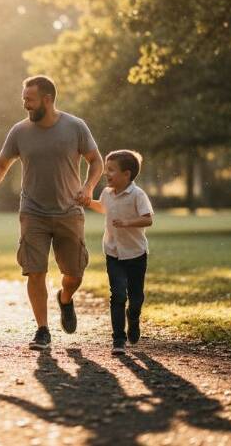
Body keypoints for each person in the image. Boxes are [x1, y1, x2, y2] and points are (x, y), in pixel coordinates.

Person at [0, 75, 103, 350]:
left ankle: (65, 298)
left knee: (75, 273)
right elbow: (1, 164)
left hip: (69, 210)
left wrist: (89, 187)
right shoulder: (19, 132)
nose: (25, 105)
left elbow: (96, 161)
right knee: (35, 271)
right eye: (24, 100)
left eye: (29, 100)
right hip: (33, 212)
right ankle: (42, 329)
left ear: (47, 99)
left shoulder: (75, 127)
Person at [86, 150, 154, 354]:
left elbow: (148, 219)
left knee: (136, 297)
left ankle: (133, 318)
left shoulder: (138, 195)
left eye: (111, 170)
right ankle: (118, 339)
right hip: (113, 252)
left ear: (127, 174)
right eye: (107, 169)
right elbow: (103, 208)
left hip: (136, 254)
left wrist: (127, 223)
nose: (107, 174)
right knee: (117, 294)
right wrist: (88, 202)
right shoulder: (107, 193)